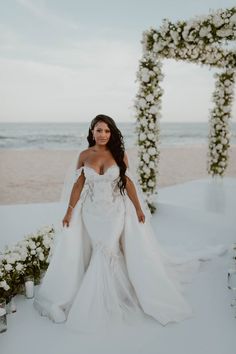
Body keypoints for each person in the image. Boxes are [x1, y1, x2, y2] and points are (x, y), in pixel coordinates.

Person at [33, 114, 213, 332]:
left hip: (115, 211)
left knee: (109, 248)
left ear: (112, 133)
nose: (103, 135)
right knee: (99, 249)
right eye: (99, 130)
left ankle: (119, 296)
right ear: (92, 131)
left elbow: (127, 183)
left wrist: (138, 208)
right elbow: (78, 186)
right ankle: (104, 295)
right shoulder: (84, 155)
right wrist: (69, 212)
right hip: (91, 212)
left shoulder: (119, 154)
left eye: (107, 131)